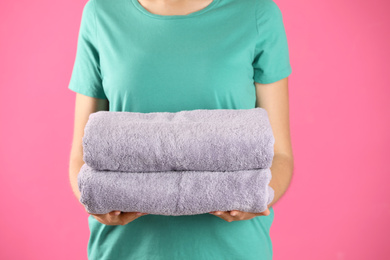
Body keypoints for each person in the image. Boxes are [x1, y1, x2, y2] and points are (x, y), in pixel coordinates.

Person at [68, 0, 294, 259]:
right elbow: (84, 153)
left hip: (232, 249)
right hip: (126, 249)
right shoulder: (102, 12)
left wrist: (255, 196)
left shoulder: (256, 12)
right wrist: (96, 200)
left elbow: (280, 155)